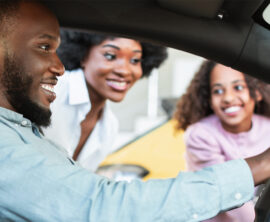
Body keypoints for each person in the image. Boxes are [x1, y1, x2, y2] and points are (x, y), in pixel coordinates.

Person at [1, 1, 270, 221]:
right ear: (83, 55)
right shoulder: (29, 121)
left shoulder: (105, 125)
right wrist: (259, 166)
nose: (59, 67)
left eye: (136, 60)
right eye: (44, 47)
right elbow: (100, 206)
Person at [43, 30, 167, 171]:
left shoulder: (109, 126)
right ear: (83, 56)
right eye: (110, 56)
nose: (124, 71)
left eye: (135, 60)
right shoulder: (53, 90)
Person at [174, 60, 270, 222]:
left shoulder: (267, 126)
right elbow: (227, 195)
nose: (228, 97)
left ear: (256, 93)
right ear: (209, 99)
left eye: (238, 87)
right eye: (218, 91)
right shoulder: (200, 135)